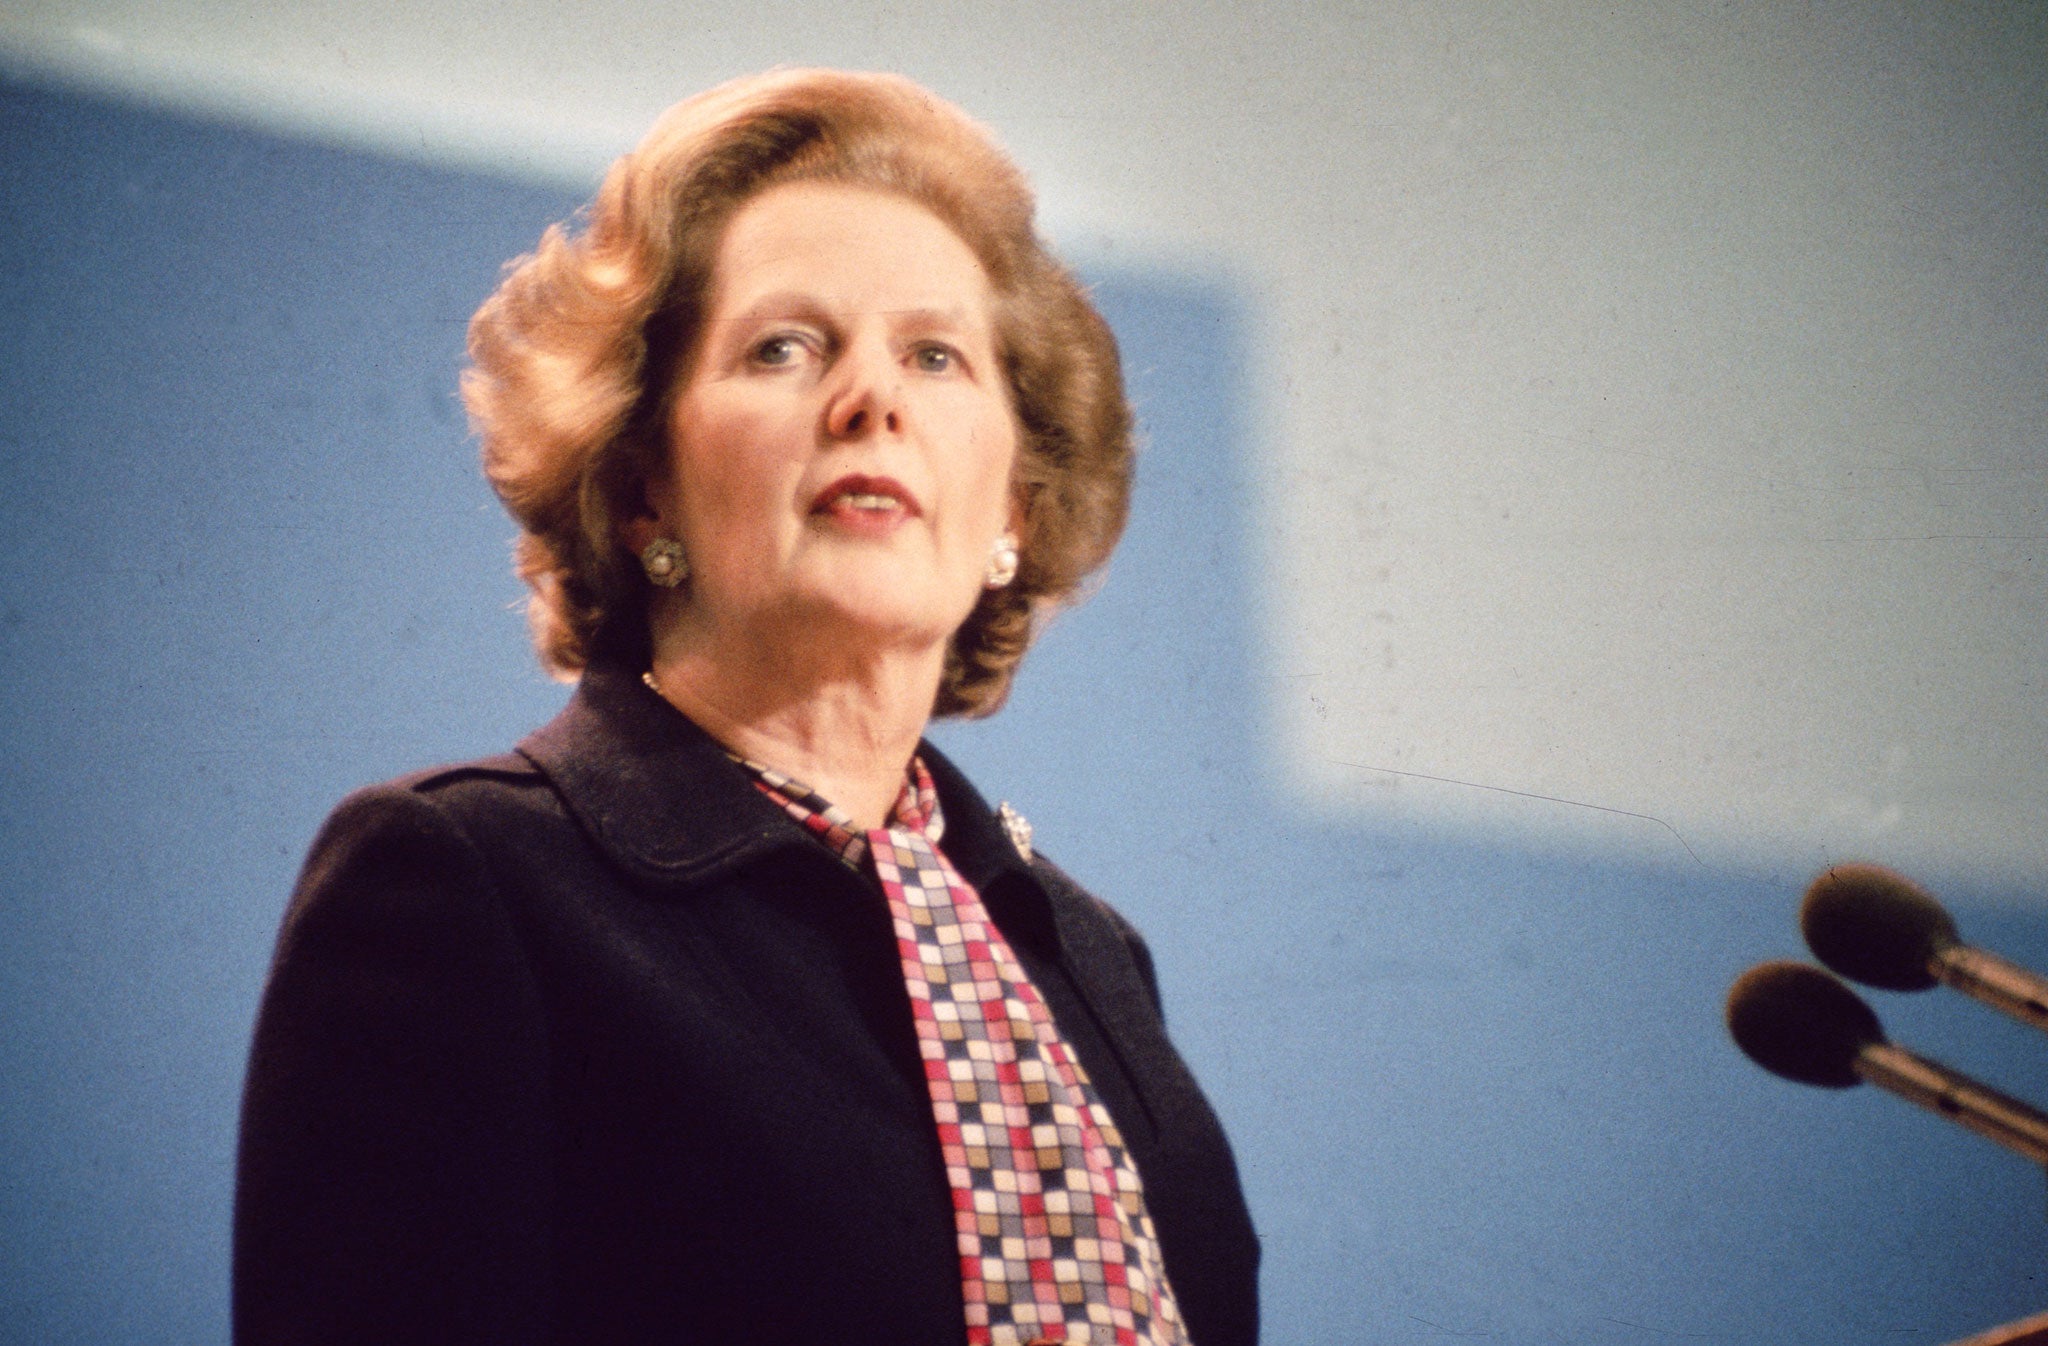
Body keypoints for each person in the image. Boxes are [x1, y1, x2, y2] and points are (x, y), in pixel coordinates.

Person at [233, 68, 1259, 1346]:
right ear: (641, 481)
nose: (869, 399)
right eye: (785, 346)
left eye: (934, 354)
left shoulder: (1088, 962)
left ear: (1013, 507)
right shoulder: (464, 884)